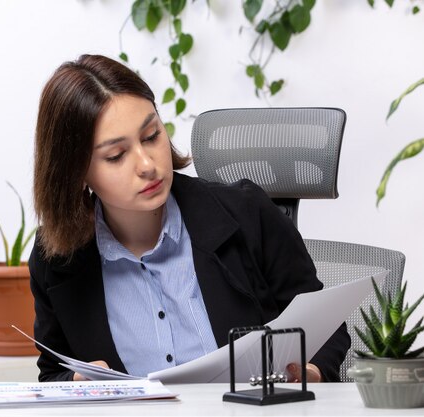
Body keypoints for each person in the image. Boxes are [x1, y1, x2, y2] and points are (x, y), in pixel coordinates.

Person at [29, 54, 350, 383]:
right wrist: (77, 383)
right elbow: (53, 371)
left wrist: (309, 372)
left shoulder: (246, 212)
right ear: (76, 171)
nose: (147, 164)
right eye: (116, 155)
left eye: (152, 136)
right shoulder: (55, 260)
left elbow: (325, 328)